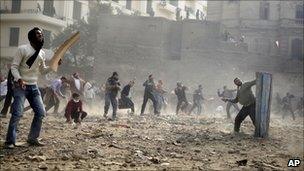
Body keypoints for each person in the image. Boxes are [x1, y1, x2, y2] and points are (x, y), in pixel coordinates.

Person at [4, 27, 61, 148]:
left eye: (42, 35)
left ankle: (32, 138)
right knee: (17, 113)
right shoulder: (23, 49)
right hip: (20, 86)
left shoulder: (42, 53)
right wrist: (19, 79)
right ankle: (9, 141)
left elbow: (43, 71)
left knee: (40, 112)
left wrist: (53, 65)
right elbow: (14, 67)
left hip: (33, 86)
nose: (41, 37)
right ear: (31, 38)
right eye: (38, 35)